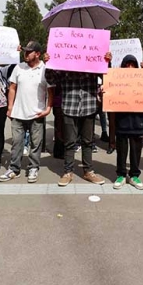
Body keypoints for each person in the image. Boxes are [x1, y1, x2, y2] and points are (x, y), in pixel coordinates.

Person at [45, 51, 112, 186]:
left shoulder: (93, 60)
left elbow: (106, 75)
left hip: (89, 106)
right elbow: (51, 79)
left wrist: (106, 61)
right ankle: (68, 172)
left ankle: (88, 171)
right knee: (69, 142)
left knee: (88, 141)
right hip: (69, 106)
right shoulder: (64, 63)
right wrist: (49, 63)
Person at [0, 41, 53, 183]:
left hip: (37, 113)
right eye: (25, 51)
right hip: (18, 113)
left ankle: (33, 167)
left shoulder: (45, 69)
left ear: (37, 54)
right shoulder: (19, 67)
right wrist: (10, 107)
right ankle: (14, 168)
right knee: (17, 143)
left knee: (36, 144)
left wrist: (48, 108)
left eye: (29, 52)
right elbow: (12, 88)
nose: (26, 54)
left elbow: (50, 90)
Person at [111, 55, 143, 190]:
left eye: (132, 64)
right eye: (127, 64)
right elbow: (109, 91)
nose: (129, 67)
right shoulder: (117, 81)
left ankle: (134, 175)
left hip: (138, 122)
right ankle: (121, 174)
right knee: (121, 150)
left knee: (136, 150)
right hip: (122, 121)